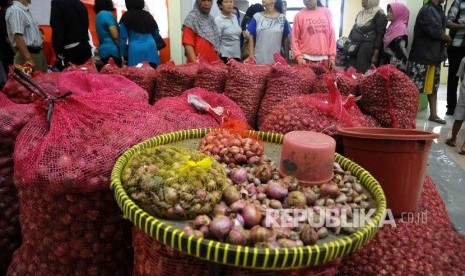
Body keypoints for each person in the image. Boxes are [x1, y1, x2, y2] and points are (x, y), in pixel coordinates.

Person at [408, 0, 451, 125]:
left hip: (434, 55)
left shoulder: (438, 9)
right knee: (415, 87)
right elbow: (436, 32)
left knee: (433, 86)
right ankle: (409, 114)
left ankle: (433, 114)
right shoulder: (427, 10)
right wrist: (448, 38)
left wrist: (444, 49)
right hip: (422, 55)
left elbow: (441, 31)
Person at [292, 0, 336, 69]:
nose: (307, 1)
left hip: (324, 59)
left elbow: (332, 36)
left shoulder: (327, 12)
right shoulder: (299, 16)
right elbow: (294, 39)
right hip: (305, 59)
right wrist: (298, 57)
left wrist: (332, 57)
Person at [346, 0, 387, 73]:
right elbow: (354, 29)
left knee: (362, 73)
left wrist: (375, 55)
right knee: (349, 73)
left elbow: (380, 35)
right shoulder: (361, 13)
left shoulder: (379, 14)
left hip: (366, 51)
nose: (362, 1)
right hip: (355, 48)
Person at [5, 0, 47, 72]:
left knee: (41, 82)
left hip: (35, 53)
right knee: (30, 82)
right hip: (28, 55)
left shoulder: (24, 10)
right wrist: (28, 59)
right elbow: (18, 36)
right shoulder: (16, 10)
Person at [50, 0, 92, 70]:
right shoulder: (80, 4)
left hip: (70, 50)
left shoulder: (57, 2)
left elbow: (57, 27)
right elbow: (86, 25)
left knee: (70, 79)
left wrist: (57, 50)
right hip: (85, 48)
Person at [119, 0, 161, 67]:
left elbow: (123, 38)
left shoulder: (125, 16)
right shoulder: (148, 15)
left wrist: (122, 54)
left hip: (135, 49)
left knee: (136, 74)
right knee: (152, 73)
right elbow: (156, 32)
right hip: (150, 47)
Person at [247, 0, 290, 64]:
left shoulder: (282, 18)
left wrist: (287, 57)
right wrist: (251, 55)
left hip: (276, 62)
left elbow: (285, 39)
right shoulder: (257, 17)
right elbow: (251, 36)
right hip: (258, 59)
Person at [445, 0, 465, 115]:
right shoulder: (458, 2)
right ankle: (451, 107)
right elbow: (447, 22)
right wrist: (463, 26)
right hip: (456, 46)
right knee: (453, 78)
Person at [381, 3, 409, 72]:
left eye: (391, 11)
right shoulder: (391, 26)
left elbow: (401, 52)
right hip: (386, 65)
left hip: (394, 69)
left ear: (398, 13)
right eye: (388, 11)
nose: (388, 14)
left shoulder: (400, 28)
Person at [445, 56, 465, 154]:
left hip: (464, 94)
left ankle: (453, 139)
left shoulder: (464, 59)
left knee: (459, 118)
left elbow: (460, 75)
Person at [95, 0, 121, 67]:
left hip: (103, 51)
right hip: (112, 51)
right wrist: (120, 48)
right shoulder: (107, 14)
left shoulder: (98, 16)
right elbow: (115, 35)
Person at [0, 0, 14, 75]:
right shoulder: (5, 14)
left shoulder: (3, 13)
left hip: (5, 51)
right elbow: (8, 38)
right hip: (8, 52)